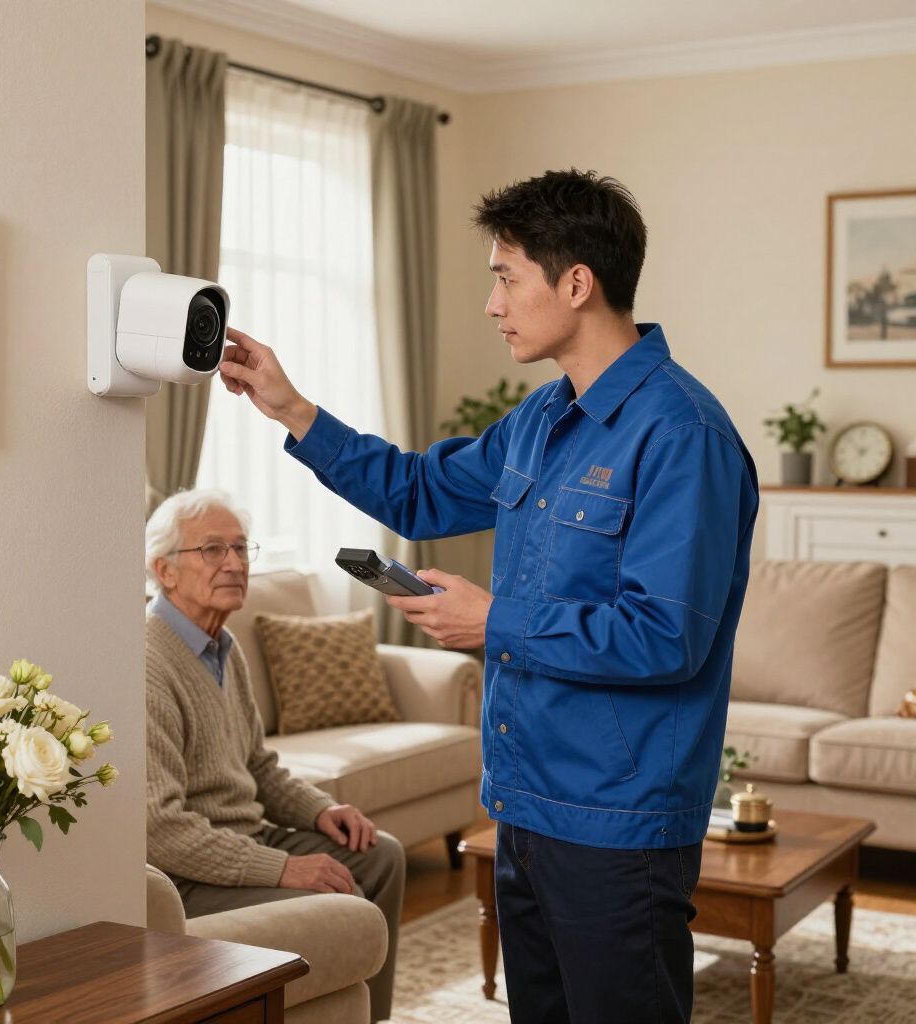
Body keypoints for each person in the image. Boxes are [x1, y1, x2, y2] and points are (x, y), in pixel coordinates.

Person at [217, 168, 759, 1024]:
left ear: (576, 283)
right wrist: (292, 410)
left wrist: (492, 619)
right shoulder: (541, 420)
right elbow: (417, 492)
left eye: (506, 276)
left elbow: (665, 637)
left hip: (617, 820)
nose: (491, 302)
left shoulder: (683, 434)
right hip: (523, 798)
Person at [144, 489, 405, 1024]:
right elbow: (160, 829)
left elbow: (258, 766)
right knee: (342, 896)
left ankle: (371, 1017)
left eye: (241, 548)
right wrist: (285, 869)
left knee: (383, 854)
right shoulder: (147, 663)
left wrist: (320, 811)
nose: (235, 563)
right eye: (213, 550)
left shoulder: (223, 646)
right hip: (192, 877)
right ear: (163, 571)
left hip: (248, 838)